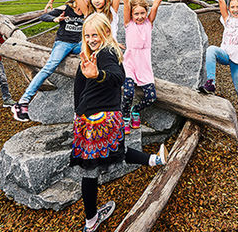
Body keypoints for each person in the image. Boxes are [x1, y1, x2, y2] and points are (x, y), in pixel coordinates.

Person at [72, 13, 168, 232]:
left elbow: (115, 76)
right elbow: (81, 88)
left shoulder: (105, 53)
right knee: (110, 154)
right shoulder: (95, 54)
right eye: (87, 35)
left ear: (106, 32)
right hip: (97, 120)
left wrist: (98, 75)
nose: (90, 39)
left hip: (92, 119)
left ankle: (91, 221)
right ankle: (91, 220)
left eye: (94, 34)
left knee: (97, 164)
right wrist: (78, 112)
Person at [11, 0, 88, 122]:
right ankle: (22, 102)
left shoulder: (88, 12)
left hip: (78, 44)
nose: (87, 0)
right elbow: (44, 16)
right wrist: (55, 19)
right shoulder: (66, 8)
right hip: (63, 43)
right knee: (49, 68)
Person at [120, 0, 168, 134]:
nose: (140, 16)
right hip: (130, 63)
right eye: (136, 14)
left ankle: (135, 110)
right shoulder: (129, 24)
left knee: (151, 97)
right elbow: (126, 4)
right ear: (131, 14)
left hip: (144, 65)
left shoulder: (149, 23)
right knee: (128, 93)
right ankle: (125, 116)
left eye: (142, 13)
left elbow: (155, 6)